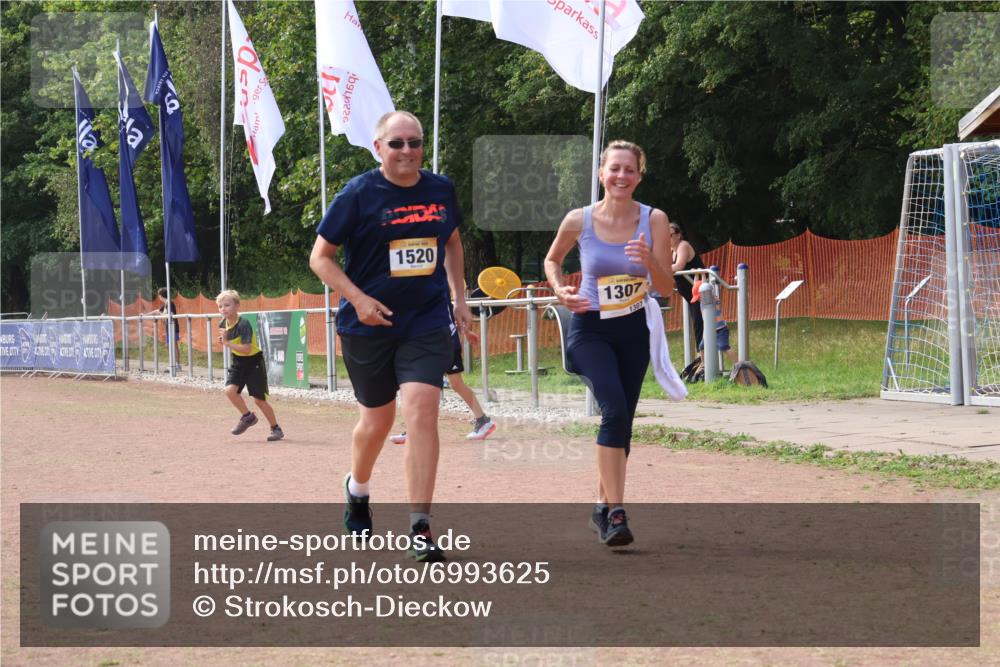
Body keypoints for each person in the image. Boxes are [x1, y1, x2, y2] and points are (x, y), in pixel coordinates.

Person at [309, 110, 472, 563]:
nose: (407, 151)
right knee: (376, 423)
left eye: (414, 142)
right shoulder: (358, 194)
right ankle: (357, 488)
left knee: (422, 409)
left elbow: (453, 242)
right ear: (378, 147)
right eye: (396, 143)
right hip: (369, 324)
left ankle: (420, 525)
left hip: (425, 320)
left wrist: (460, 298)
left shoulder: (440, 190)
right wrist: (358, 299)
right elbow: (320, 259)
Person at [543, 139, 673, 547]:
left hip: (634, 329)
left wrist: (650, 259)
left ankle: (602, 506)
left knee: (622, 422)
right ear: (601, 174)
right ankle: (616, 512)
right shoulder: (578, 219)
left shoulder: (653, 220)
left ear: (639, 175)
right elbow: (552, 260)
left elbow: (667, 287)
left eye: (629, 169)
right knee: (613, 409)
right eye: (613, 168)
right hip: (590, 328)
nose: (621, 176)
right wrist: (560, 290)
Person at [389, 310, 496, 444]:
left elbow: (453, 312)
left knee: (449, 384)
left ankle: (483, 421)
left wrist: (466, 332)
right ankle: (415, 429)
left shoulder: (435, 292)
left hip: (445, 344)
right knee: (433, 385)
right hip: (435, 344)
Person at [216, 289, 284, 442]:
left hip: (253, 362)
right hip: (239, 361)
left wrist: (226, 343)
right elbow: (232, 345)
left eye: (227, 305)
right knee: (230, 391)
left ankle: (276, 428)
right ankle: (248, 417)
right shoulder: (222, 323)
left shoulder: (244, 324)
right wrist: (225, 342)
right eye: (220, 306)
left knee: (259, 400)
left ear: (237, 306)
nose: (223, 309)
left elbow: (247, 349)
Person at [669, 222, 705, 352]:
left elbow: (678, 266)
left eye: (670, 235)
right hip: (690, 295)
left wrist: (659, 269)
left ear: (678, 235)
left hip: (700, 291)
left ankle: (705, 362)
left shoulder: (683, 245)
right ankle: (702, 360)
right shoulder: (671, 250)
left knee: (699, 324)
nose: (668, 238)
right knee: (697, 324)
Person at [690, 278, 738, 368]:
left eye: (699, 297)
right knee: (701, 347)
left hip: (720, 330)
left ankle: (737, 364)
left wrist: (711, 295)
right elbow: (697, 285)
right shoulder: (702, 304)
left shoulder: (713, 299)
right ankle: (704, 364)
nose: (698, 300)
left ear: (704, 294)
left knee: (724, 346)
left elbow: (714, 301)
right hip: (709, 331)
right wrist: (697, 274)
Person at [145, 287, 182, 372]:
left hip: (173, 327)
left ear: (161, 296)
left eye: (159, 296)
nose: (159, 297)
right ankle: (174, 363)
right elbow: (157, 311)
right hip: (168, 327)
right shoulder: (166, 304)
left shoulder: (170, 303)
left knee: (173, 345)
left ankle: (177, 364)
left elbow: (170, 314)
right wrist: (145, 315)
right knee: (169, 345)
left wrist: (161, 315)